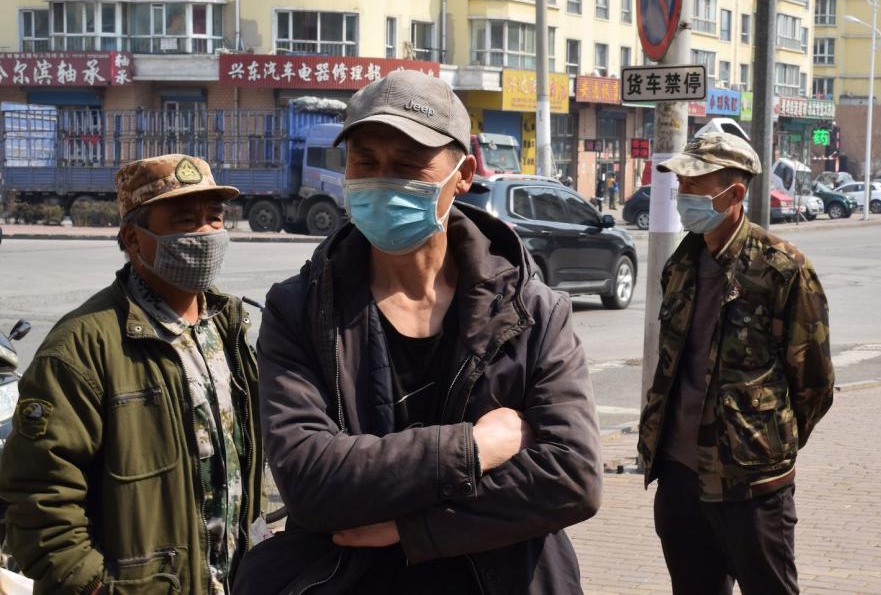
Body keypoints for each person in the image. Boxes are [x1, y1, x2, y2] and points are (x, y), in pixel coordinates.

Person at [237, 70, 602, 593]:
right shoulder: (299, 309)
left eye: (409, 164)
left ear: (463, 174)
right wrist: (475, 446)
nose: (383, 180)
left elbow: (572, 479)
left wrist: (417, 529)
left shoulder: (534, 311)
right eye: (366, 162)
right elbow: (309, 480)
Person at [0, 155, 264, 595]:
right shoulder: (81, 346)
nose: (206, 233)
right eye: (185, 220)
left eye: (215, 218)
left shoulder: (226, 326)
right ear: (134, 240)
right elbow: (37, 500)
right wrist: (97, 588)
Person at [637, 132, 835, 594]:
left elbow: (815, 383)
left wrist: (764, 443)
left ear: (734, 194)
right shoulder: (680, 265)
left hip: (750, 486)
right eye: (680, 185)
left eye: (695, 185)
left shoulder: (782, 269)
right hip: (679, 476)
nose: (683, 196)